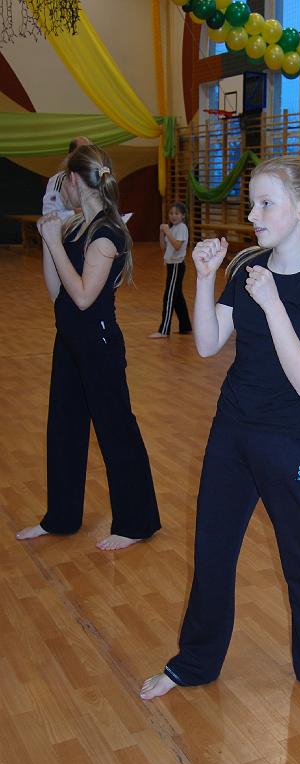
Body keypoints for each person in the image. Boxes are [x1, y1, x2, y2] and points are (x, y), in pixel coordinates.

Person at [141, 156, 300, 708]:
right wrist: (204, 277)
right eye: (251, 203)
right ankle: (194, 662)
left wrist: (274, 304)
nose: (252, 215)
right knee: (212, 551)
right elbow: (208, 344)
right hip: (232, 432)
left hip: (289, 440)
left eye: (265, 204)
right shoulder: (248, 268)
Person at [16, 144, 161, 551]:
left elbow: (82, 297)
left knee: (116, 431)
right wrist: (51, 240)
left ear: (75, 180)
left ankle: (136, 522)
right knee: (63, 429)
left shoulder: (107, 233)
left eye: (62, 182)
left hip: (98, 345)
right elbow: (57, 293)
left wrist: (54, 240)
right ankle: (60, 518)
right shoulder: (77, 225)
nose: (59, 190)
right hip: (68, 341)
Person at [149, 202, 192, 338]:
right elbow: (163, 247)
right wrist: (162, 233)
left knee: (169, 297)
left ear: (183, 216)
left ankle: (164, 330)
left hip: (177, 266)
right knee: (177, 297)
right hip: (171, 265)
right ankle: (185, 326)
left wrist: (167, 232)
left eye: (176, 213)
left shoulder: (182, 228)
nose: (173, 216)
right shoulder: (173, 228)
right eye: (171, 213)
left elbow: (177, 246)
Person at [42, 136, 91, 220]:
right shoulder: (58, 180)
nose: (87, 155)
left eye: (89, 151)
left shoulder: (94, 178)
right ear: (71, 155)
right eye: (83, 151)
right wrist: (75, 213)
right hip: (68, 227)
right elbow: (49, 216)